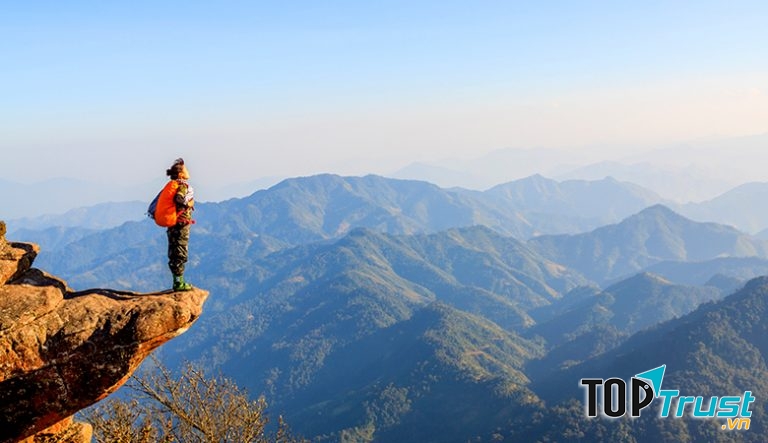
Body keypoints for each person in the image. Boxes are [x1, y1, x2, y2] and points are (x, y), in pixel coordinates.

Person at [165, 158, 195, 291]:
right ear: (182, 174)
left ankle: (177, 281)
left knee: (174, 251)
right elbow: (179, 198)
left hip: (173, 223)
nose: (188, 171)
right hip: (181, 224)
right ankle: (179, 283)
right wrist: (188, 204)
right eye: (186, 169)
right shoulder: (182, 186)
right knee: (180, 251)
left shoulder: (173, 185)